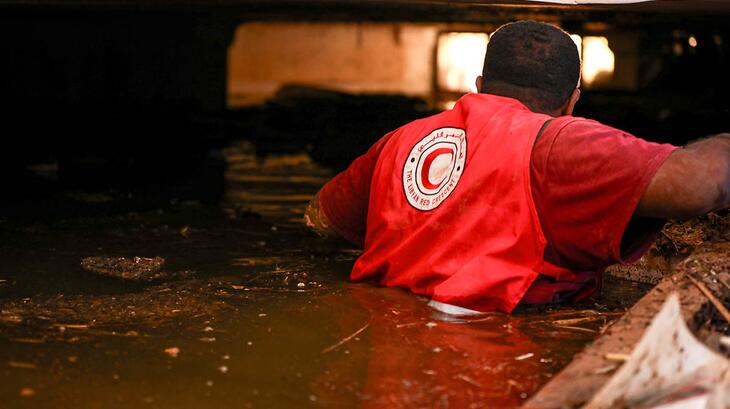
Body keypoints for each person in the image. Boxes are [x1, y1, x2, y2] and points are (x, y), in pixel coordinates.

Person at [304, 20, 730, 313]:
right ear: (572, 102)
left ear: (480, 87)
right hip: (498, 347)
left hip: (385, 337)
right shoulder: (564, 143)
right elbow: (701, 185)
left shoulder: (397, 141)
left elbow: (320, 217)